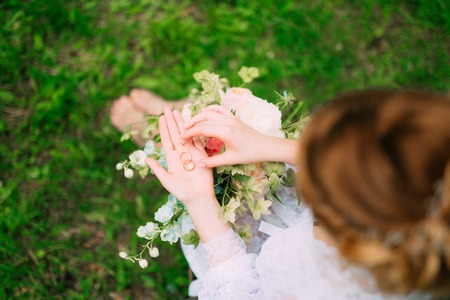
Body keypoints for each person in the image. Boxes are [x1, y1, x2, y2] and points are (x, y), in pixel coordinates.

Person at [141, 88, 450, 299]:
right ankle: (167, 116)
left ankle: (152, 130)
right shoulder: (417, 213)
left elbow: (239, 292)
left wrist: (200, 201)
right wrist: (269, 144)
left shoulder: (310, 280)